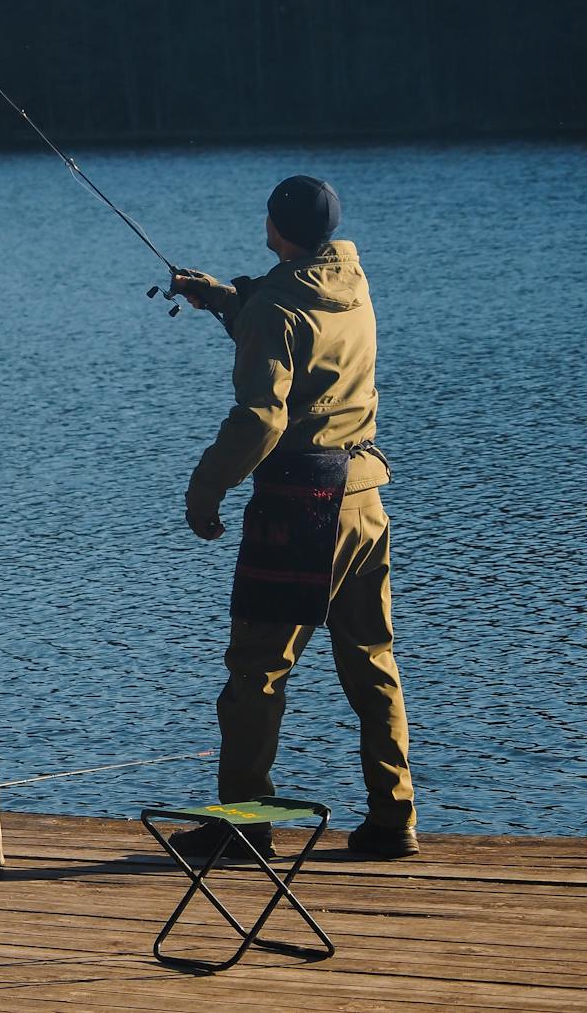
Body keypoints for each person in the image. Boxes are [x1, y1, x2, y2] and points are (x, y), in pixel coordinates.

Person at [167, 175, 418, 861]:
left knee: (256, 673)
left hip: (298, 508)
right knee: (371, 661)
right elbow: (292, 325)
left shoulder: (276, 305)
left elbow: (261, 418)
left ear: (277, 227)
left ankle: (243, 827)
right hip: (363, 497)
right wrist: (222, 298)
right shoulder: (350, 282)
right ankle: (392, 819)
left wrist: (204, 491)